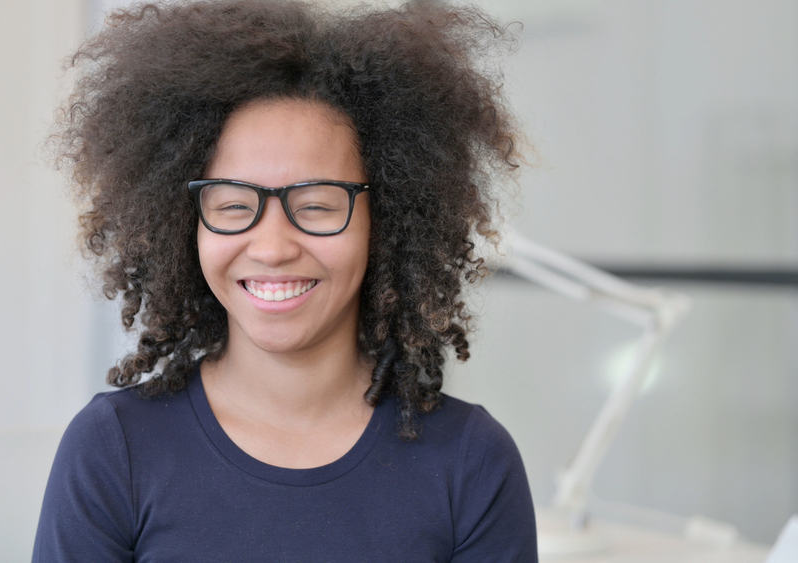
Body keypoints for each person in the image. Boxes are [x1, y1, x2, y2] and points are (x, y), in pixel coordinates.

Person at [33, 0, 537, 560]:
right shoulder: (113, 449)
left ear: (388, 219)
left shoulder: (472, 463)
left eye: (318, 205)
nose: (272, 247)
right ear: (185, 224)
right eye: (231, 205)